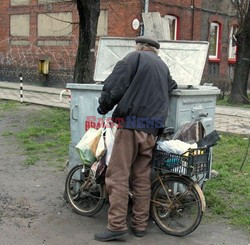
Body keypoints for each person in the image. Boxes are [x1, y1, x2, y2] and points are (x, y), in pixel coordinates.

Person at [94, 36, 177, 242]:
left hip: (130, 125)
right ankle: (139, 225)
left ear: (139, 46)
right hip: (152, 129)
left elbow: (115, 86)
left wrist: (103, 106)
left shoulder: (133, 58)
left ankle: (116, 226)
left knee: (117, 175)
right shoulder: (162, 66)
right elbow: (172, 86)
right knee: (141, 177)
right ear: (154, 50)